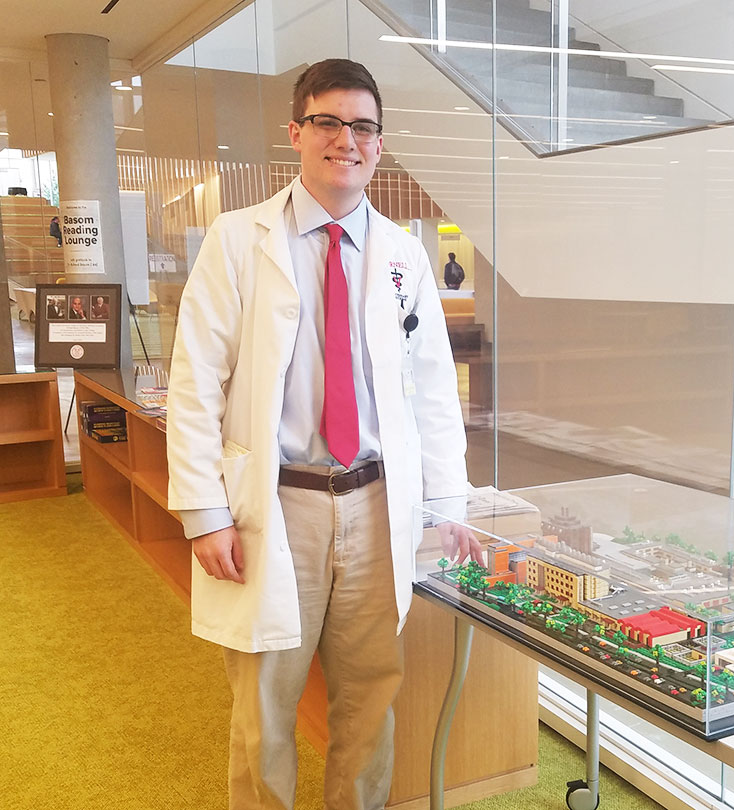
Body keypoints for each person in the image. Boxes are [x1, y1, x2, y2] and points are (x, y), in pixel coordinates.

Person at [166, 58, 481, 810]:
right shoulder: (239, 240)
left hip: (376, 504)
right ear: (297, 132)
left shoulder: (404, 254)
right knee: (266, 703)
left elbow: (433, 388)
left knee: (370, 698)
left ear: (379, 141)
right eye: (329, 122)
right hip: (280, 504)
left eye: (363, 126)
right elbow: (195, 379)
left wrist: (450, 501)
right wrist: (204, 512)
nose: (348, 139)